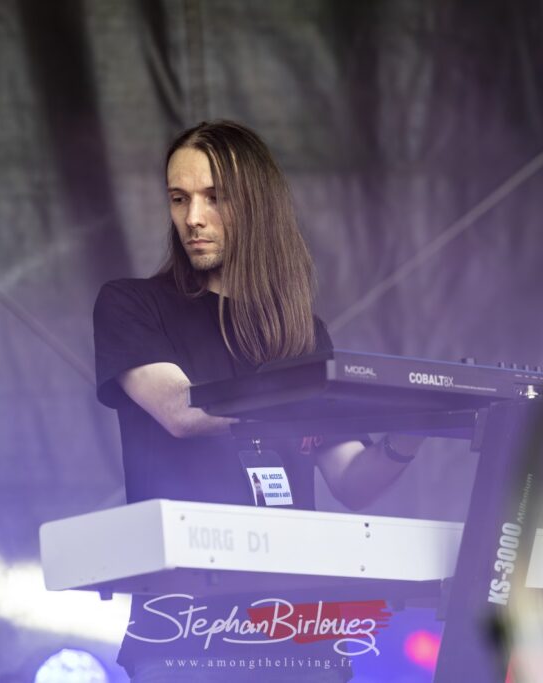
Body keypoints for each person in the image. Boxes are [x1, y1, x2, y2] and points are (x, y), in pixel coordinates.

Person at [93, 120, 425, 682]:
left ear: (256, 204)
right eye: (179, 198)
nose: (193, 218)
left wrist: (411, 428)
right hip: (188, 635)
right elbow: (180, 410)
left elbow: (353, 481)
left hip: (303, 634)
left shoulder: (302, 333)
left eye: (214, 197)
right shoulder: (132, 305)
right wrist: (301, 408)